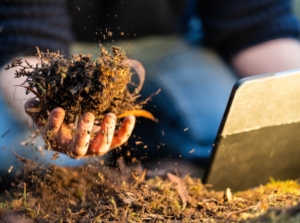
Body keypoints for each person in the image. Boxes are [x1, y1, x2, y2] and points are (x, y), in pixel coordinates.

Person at [1, 0, 300, 175]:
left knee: (234, 130)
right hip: (55, 57)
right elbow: (27, 41)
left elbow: (257, 25)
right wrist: (45, 109)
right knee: (44, 155)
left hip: (166, 45)